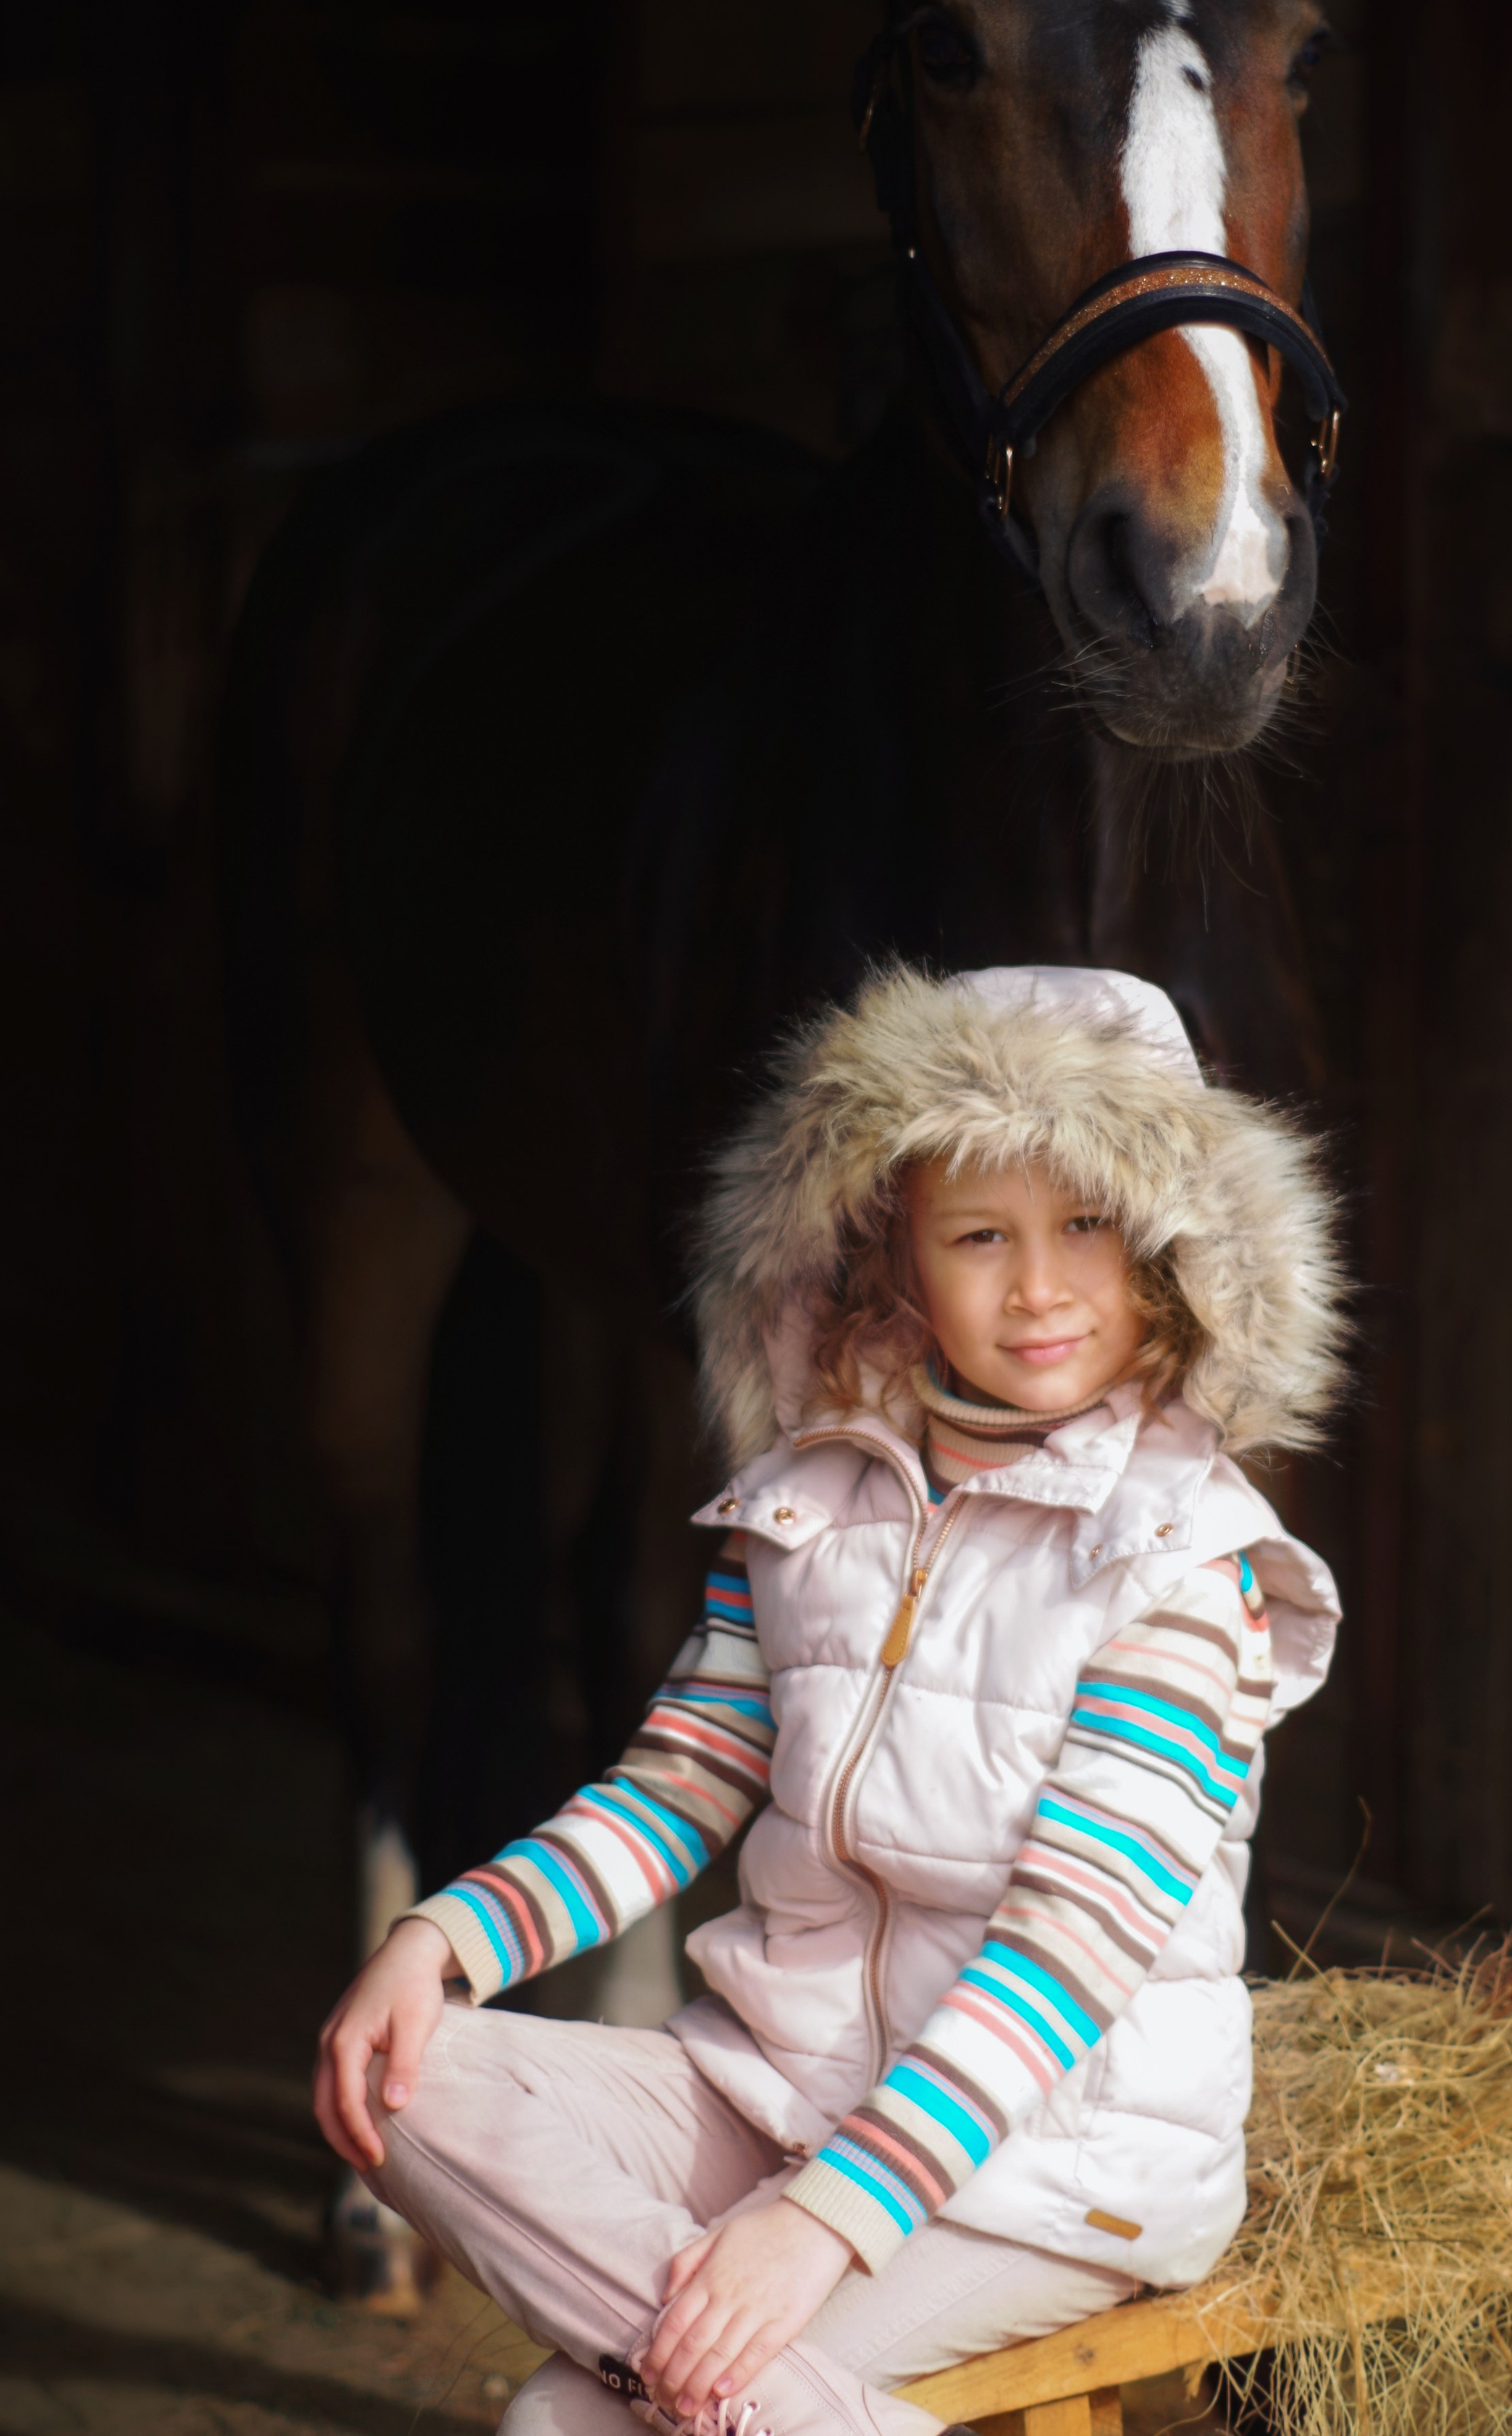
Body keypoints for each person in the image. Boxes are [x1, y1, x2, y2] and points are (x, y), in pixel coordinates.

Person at [313, 964, 1345, 2436]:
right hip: (766, 2090)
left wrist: (819, 2225)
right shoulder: (810, 1500)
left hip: (1045, 2165)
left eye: (1086, 1226)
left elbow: (1065, 1953)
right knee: (400, 2074)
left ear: (1172, 1248)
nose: (1037, 1286)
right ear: (892, 1252)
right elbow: (675, 1785)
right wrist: (446, 1933)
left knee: (569, 2422)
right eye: (979, 1235)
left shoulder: (1179, 1559)